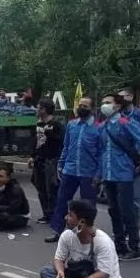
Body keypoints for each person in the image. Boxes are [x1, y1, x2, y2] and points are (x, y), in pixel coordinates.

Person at [40, 200, 123, 278]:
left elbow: (104, 273)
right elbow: (58, 259)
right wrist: (60, 271)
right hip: (76, 277)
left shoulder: (103, 241)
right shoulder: (67, 235)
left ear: (82, 221)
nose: (65, 217)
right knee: (46, 271)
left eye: (70, 215)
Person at [46, 97, 101, 243]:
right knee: (62, 201)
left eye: (85, 106)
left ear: (92, 109)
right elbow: (66, 146)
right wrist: (61, 164)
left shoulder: (98, 128)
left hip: (88, 172)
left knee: (88, 205)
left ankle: (86, 233)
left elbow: (101, 153)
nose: (81, 107)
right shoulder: (71, 125)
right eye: (80, 105)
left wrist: (98, 174)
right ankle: (57, 231)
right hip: (70, 169)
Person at [98, 93, 140, 261]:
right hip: (108, 174)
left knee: (127, 211)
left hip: (124, 173)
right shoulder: (102, 126)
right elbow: (101, 152)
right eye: (103, 102)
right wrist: (98, 174)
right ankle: (119, 246)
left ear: (117, 106)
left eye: (108, 102)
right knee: (113, 211)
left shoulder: (126, 122)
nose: (105, 105)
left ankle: (134, 247)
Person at [29, 98, 65, 224]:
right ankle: (46, 213)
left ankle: (54, 215)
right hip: (39, 159)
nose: (36, 110)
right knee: (40, 186)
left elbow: (61, 141)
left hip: (51, 160)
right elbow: (36, 141)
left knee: (52, 188)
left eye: (38, 107)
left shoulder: (56, 124)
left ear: (44, 109)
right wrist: (32, 156)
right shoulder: (39, 124)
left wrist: (50, 133)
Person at [0, 163, 30, 232]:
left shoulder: (15, 189)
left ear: (8, 178)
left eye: (1, 176)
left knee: (5, 217)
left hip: (18, 214)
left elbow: (13, 209)